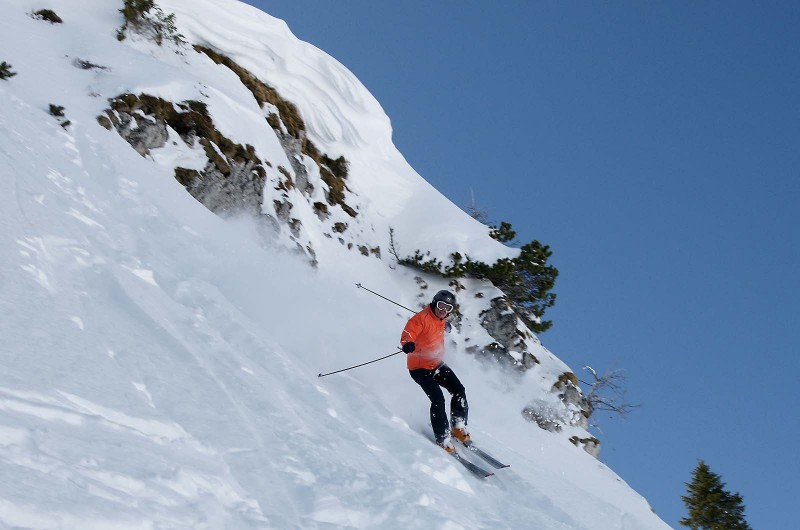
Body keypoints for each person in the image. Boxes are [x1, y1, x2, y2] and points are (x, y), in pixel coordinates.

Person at [400, 289, 470, 453]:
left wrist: (445, 325)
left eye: (448, 308)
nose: (443, 310)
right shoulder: (420, 319)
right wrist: (407, 343)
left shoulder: (441, 320)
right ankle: (442, 437)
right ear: (434, 303)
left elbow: (440, 324)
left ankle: (458, 426)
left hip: (436, 364)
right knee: (438, 400)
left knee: (459, 390)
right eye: (440, 305)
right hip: (419, 368)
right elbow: (409, 332)